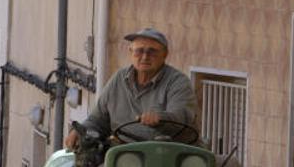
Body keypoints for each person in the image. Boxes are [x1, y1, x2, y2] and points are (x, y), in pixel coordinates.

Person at [63, 27, 198, 150]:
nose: (145, 57)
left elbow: (182, 117)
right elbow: (98, 119)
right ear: (130, 52)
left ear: (165, 55)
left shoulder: (178, 82)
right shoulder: (118, 79)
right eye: (139, 51)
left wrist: (160, 119)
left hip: (166, 153)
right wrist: (80, 130)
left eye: (152, 52)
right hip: (122, 154)